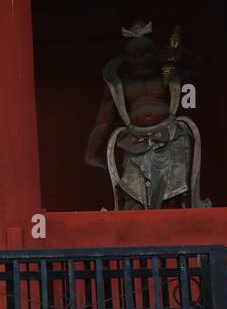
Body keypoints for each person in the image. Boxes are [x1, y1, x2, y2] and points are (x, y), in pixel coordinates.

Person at [84, 21, 207, 210]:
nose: (139, 60)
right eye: (133, 56)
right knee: (132, 199)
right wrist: (93, 152)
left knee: (172, 198)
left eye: (145, 54)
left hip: (170, 138)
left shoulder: (166, 76)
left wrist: (179, 55)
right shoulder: (119, 85)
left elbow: (200, 67)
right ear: (125, 58)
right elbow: (103, 122)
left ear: (155, 53)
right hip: (135, 142)